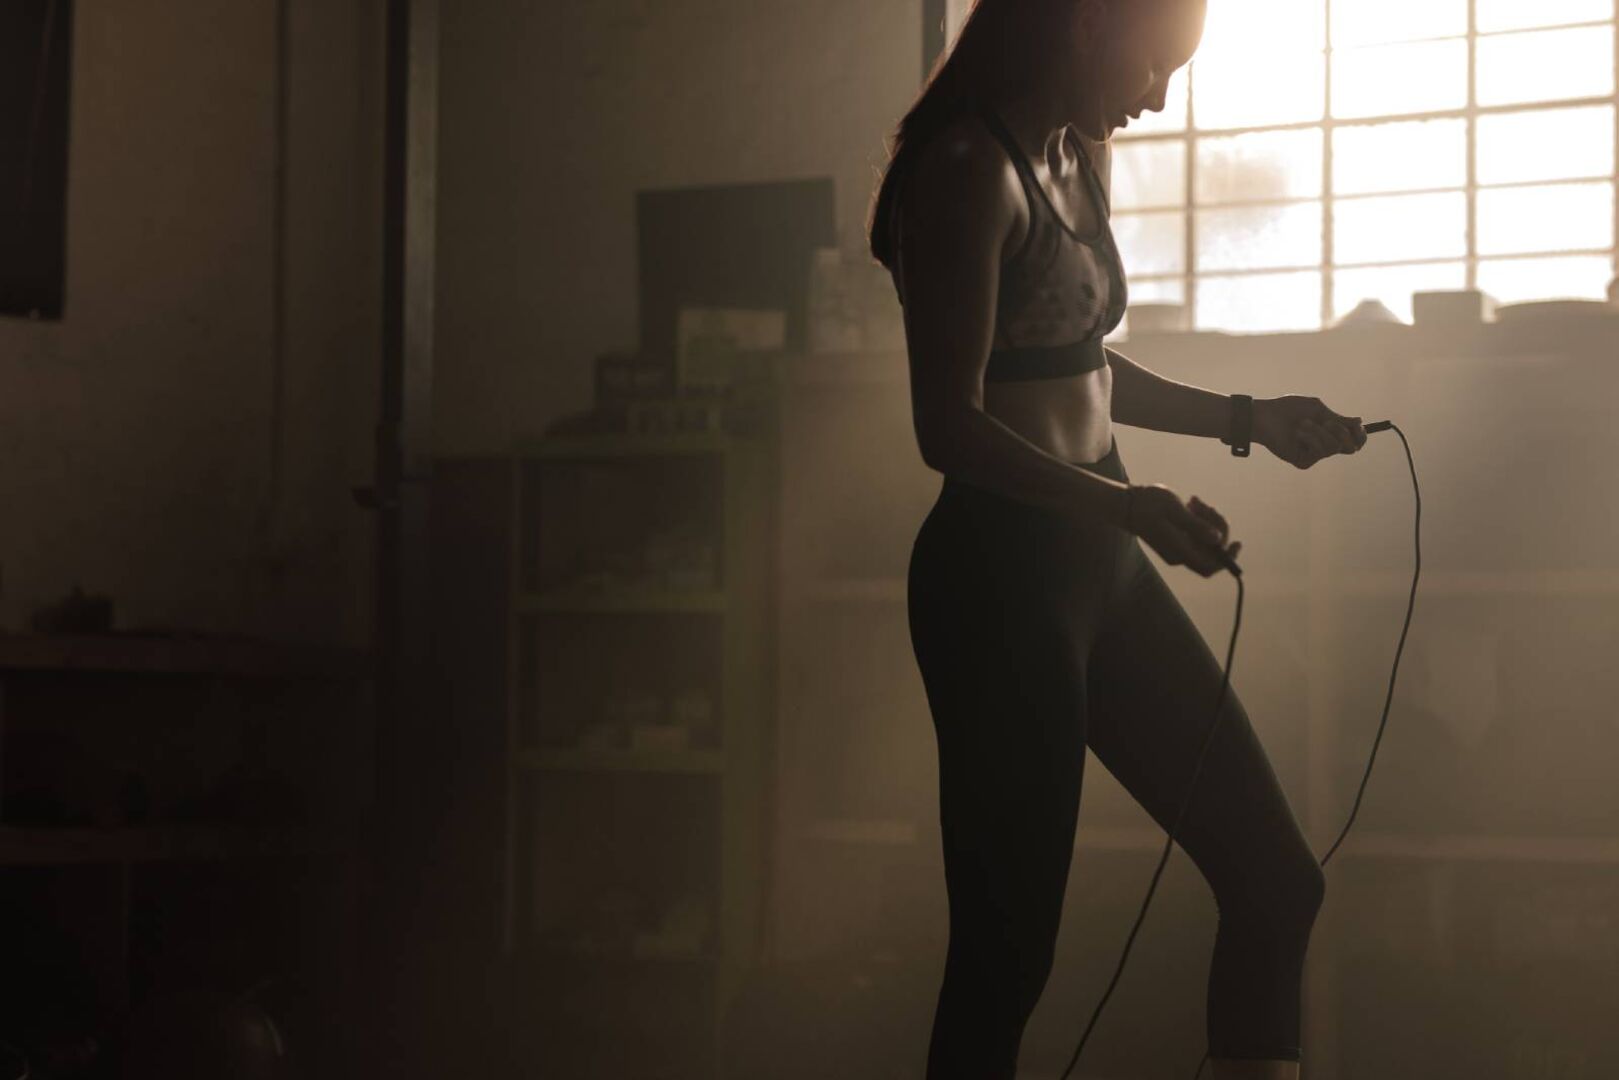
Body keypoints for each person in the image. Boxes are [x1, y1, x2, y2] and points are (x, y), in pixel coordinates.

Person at [866, 1, 1369, 1078]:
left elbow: (1080, 361)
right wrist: (1128, 509)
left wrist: (1247, 419)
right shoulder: (966, 171)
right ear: (1089, 21)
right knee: (1004, 958)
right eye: (1156, 66)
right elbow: (946, 427)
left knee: (1277, 882)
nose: (1158, 98)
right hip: (998, 584)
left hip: (1102, 567)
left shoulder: (1076, 156)